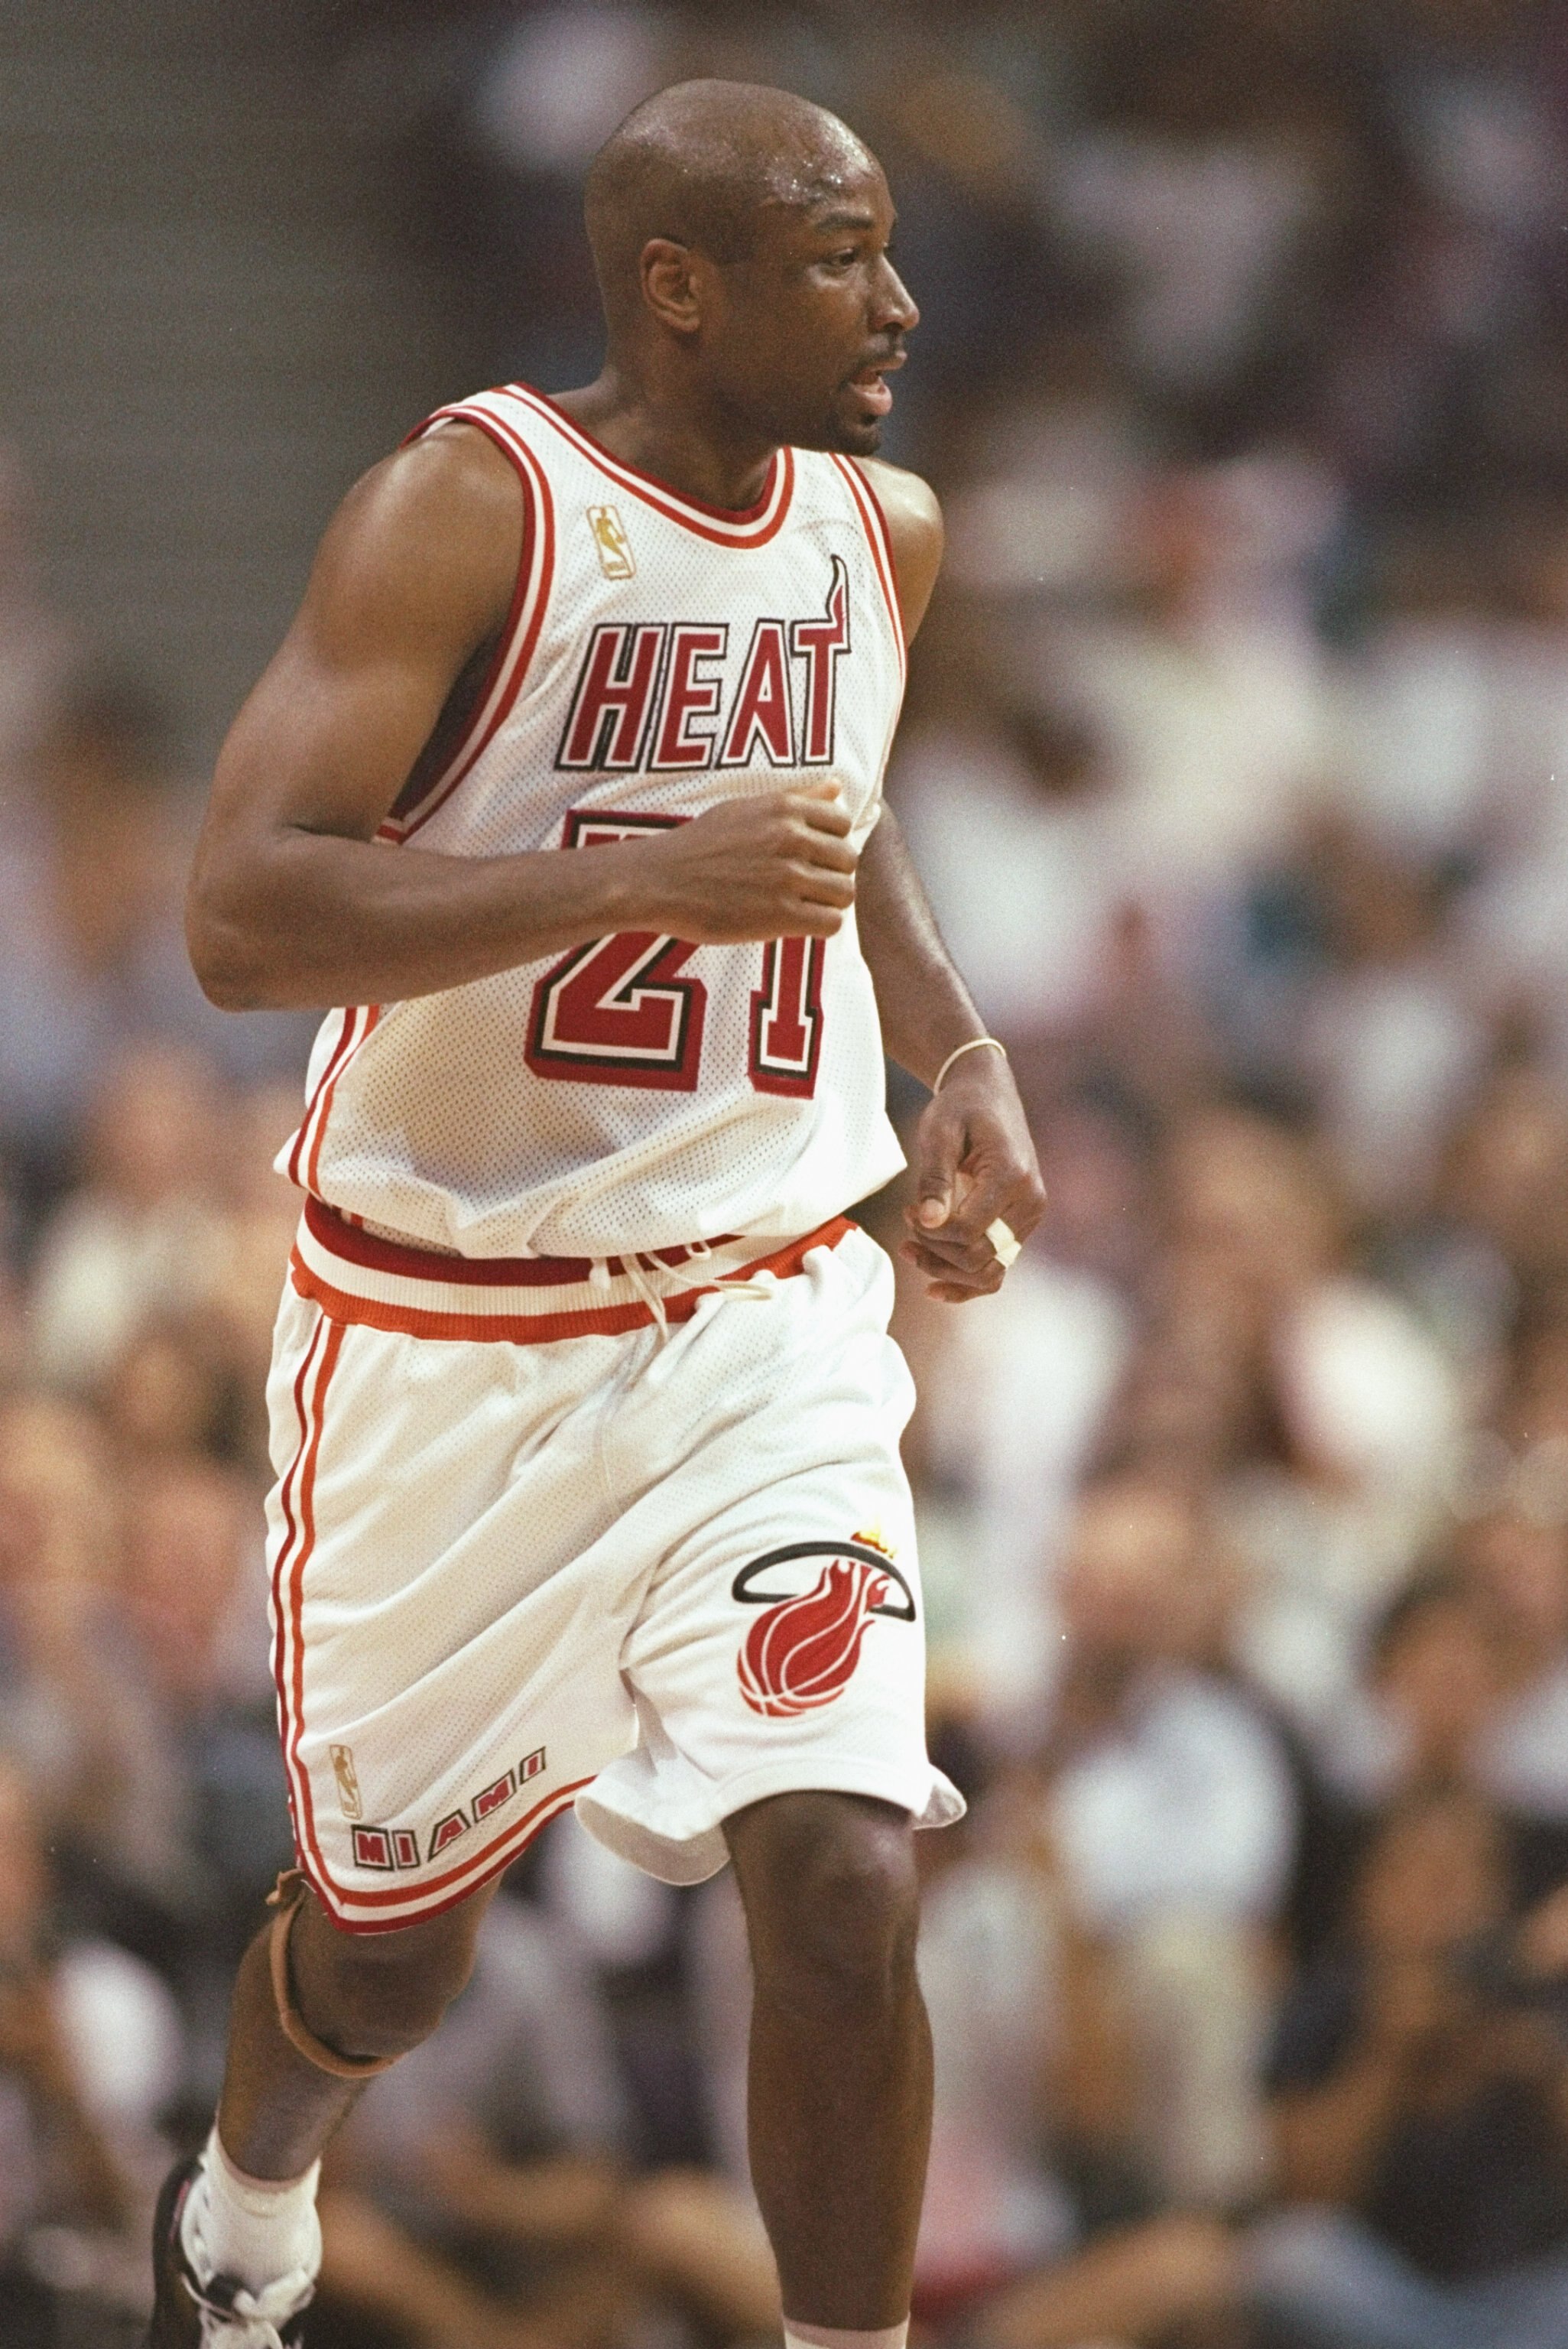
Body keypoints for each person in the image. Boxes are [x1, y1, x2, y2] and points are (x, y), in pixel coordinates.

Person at [147, 74, 1046, 2349]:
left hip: (762, 1312)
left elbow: (846, 822)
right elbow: (244, 918)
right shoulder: (467, 507)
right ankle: (245, 2215)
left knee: (845, 1883)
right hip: (445, 1331)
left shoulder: (884, 528)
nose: (900, 301)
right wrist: (641, 875)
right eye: (841, 255)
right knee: (386, 1955)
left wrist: (954, 1058)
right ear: (678, 285)